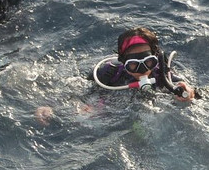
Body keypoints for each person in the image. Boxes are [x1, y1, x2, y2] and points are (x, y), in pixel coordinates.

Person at [34, 27, 197, 126]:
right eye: (133, 64)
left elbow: (186, 89)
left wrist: (187, 92)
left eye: (147, 62)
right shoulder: (108, 73)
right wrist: (50, 106)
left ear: (155, 59)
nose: (141, 70)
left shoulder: (161, 74)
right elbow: (77, 89)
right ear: (123, 61)